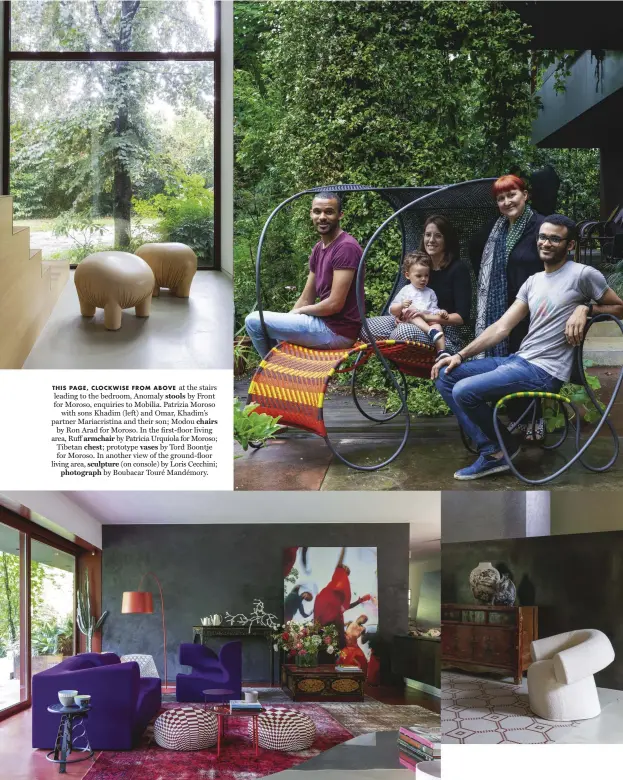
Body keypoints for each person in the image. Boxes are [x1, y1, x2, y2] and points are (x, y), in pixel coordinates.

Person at [433, 214, 623, 481]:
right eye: (542, 237)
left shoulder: (582, 274)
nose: (546, 243)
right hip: (520, 360)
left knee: (465, 390)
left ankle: (497, 452)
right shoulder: (533, 281)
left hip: (545, 372)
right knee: (446, 377)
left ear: (569, 245)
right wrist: (460, 355)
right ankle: (497, 447)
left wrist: (586, 308)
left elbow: (619, 307)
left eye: (555, 238)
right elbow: (502, 327)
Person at [470, 174, 547, 439]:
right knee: (506, 364)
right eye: (501, 198)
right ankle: (515, 420)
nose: (506, 202)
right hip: (505, 309)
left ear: (525, 194)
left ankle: (533, 423)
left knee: (527, 364)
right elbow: (475, 252)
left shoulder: (540, 227)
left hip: (536, 312)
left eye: (511, 194)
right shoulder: (497, 230)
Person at [245, 192, 363, 357]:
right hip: (323, 325)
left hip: (337, 332)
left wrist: (300, 313)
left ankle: (274, 370)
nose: (322, 217)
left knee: (253, 321)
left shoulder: (345, 247)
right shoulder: (318, 248)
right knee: (272, 331)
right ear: (311, 214)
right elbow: (306, 298)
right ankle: (278, 370)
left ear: (340, 215)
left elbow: (334, 304)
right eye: (317, 211)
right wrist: (290, 317)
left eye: (329, 212)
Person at [365, 215, 471, 355]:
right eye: (428, 235)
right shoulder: (419, 266)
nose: (431, 240)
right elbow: (409, 298)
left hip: (442, 331)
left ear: (447, 239)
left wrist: (425, 317)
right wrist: (401, 315)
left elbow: (461, 318)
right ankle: (396, 341)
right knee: (365, 327)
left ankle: (435, 351)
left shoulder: (458, 269)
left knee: (403, 332)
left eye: (438, 236)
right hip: (412, 322)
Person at [386, 252, 449, 356]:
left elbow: (433, 310)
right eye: (419, 276)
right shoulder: (406, 290)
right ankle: (430, 332)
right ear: (407, 275)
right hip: (411, 322)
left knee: (437, 326)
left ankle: (441, 352)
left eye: (426, 275)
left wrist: (441, 312)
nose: (423, 279)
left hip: (427, 321)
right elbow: (392, 309)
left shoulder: (430, 292)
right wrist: (402, 305)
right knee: (411, 311)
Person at [313, 547, 372, 647]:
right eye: (346, 570)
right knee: (322, 632)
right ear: (342, 568)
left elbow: (346, 607)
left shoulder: (343, 590)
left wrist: (360, 601)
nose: (347, 573)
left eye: (348, 573)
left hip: (334, 612)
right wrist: (344, 548)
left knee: (338, 640)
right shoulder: (338, 573)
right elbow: (340, 559)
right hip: (326, 603)